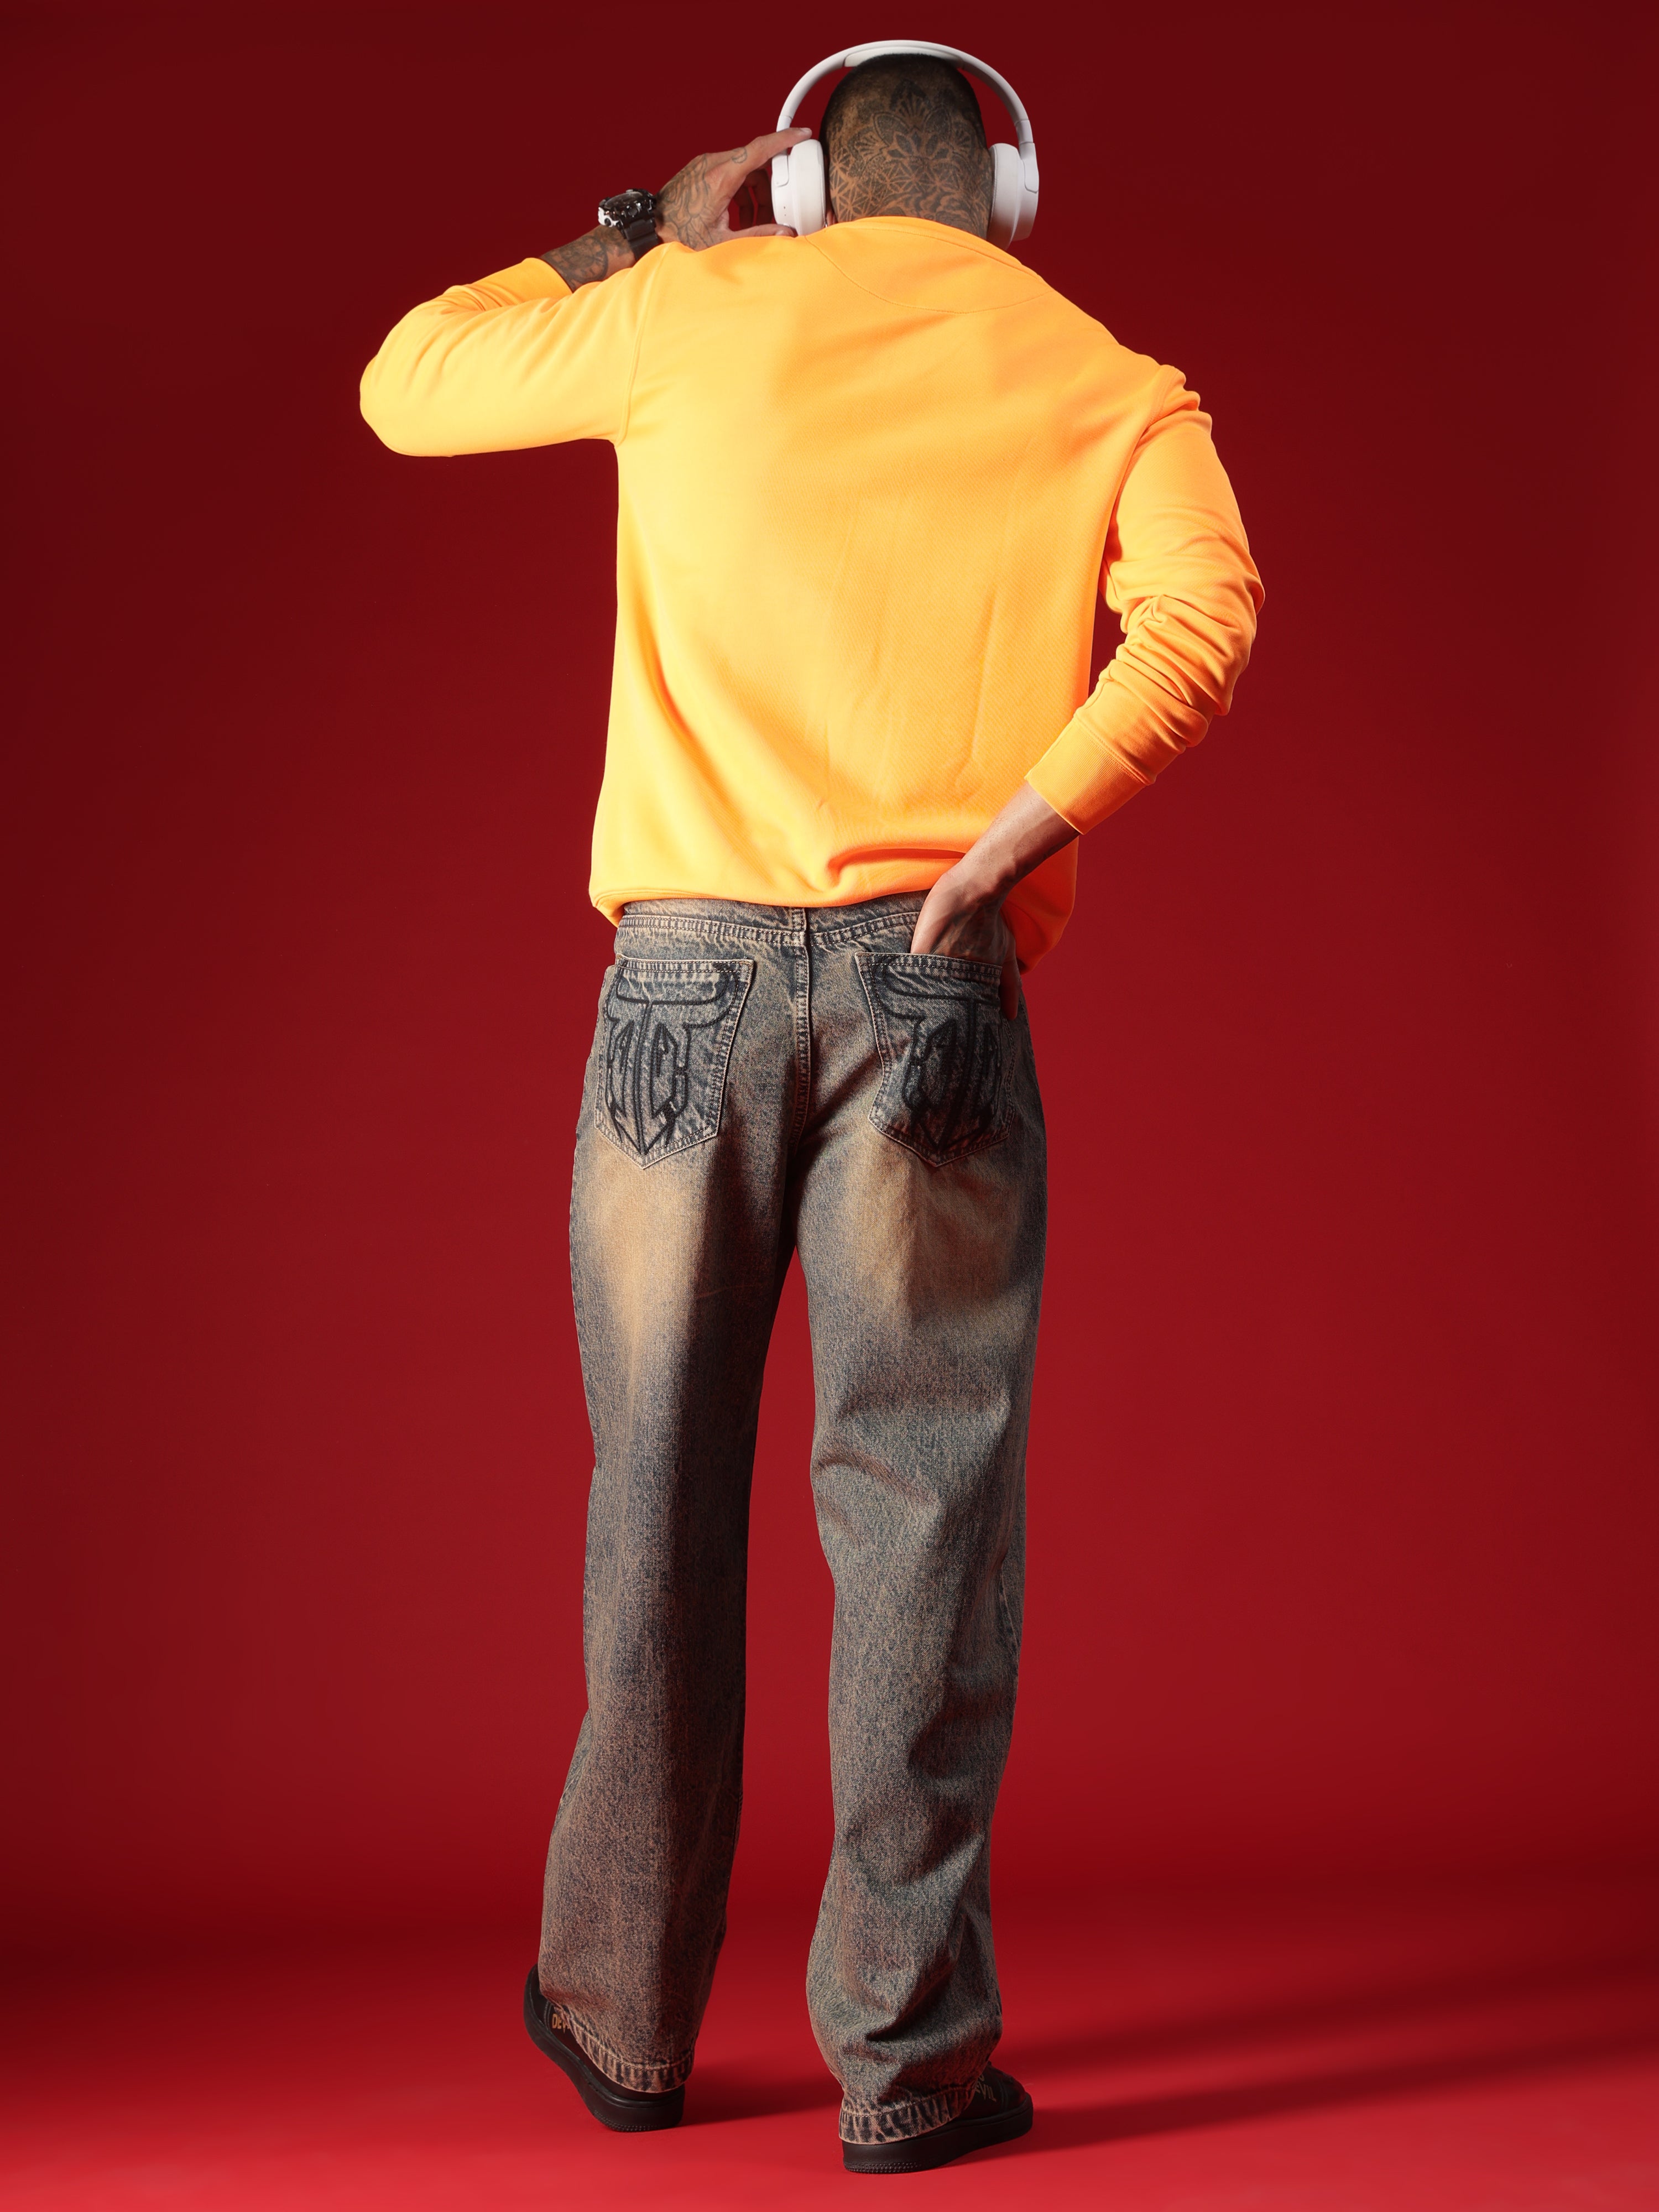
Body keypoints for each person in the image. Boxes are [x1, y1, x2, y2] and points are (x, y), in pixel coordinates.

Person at [361, 48, 1261, 2177]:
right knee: (922, 1521)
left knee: (656, 1497)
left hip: (679, 986)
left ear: (801, 189)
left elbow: (406, 382)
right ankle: (907, 2062)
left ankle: (622, 2024)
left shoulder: (693, 312)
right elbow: (1207, 621)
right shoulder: (1114, 381)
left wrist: (634, 227)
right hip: (932, 983)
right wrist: (1017, 833)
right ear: (1007, 194)